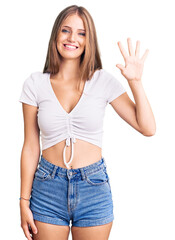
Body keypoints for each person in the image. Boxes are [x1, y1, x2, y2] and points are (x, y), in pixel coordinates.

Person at [19, 4, 156, 240]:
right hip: (47, 187)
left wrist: (136, 82)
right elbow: (31, 145)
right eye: (66, 30)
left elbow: (148, 127)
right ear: (56, 35)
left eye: (81, 33)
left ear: (89, 40)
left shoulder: (102, 81)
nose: (73, 38)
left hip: (93, 187)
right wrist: (23, 200)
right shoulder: (34, 84)